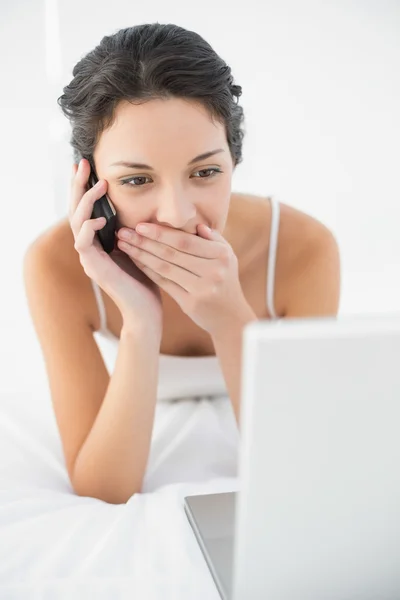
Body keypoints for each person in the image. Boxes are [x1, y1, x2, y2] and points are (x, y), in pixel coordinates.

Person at [23, 23, 341, 504]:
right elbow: (105, 489)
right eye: (136, 180)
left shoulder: (303, 251)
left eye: (206, 171)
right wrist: (140, 322)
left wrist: (231, 318)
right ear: (89, 182)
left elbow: (299, 468)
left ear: (235, 160)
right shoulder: (55, 267)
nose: (177, 214)